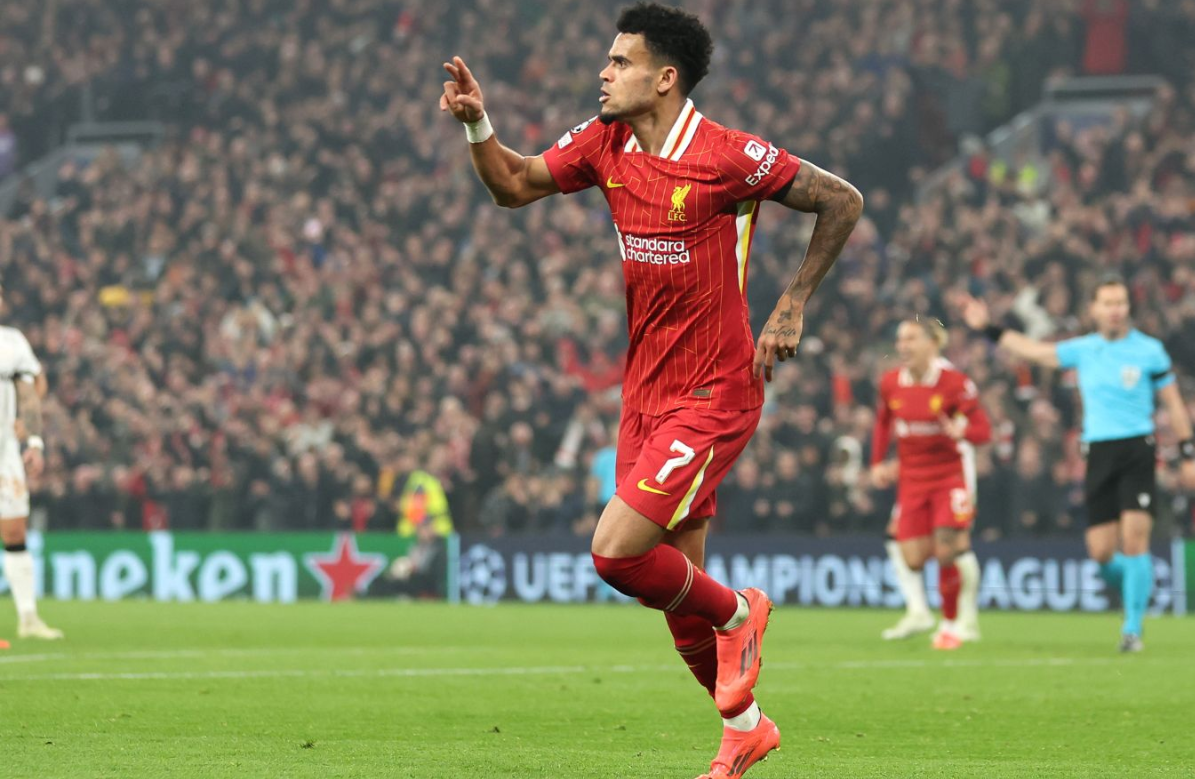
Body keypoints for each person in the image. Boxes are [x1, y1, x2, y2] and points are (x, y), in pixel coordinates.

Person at [440, 4, 863, 776]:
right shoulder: (604, 142)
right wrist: (477, 124)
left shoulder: (728, 155)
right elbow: (513, 183)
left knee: (615, 554)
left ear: (664, 78)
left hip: (714, 389)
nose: (602, 73)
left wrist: (792, 301)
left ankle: (741, 611)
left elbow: (842, 199)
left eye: (619, 62)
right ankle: (744, 729)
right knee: (673, 595)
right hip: (644, 393)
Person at [962, 276, 1195, 652]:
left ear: (1128, 308)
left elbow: (1173, 403)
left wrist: (1187, 454)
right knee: (1101, 552)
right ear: (1094, 309)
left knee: (1135, 540)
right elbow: (1035, 352)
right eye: (1108, 303)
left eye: (1120, 302)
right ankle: (1137, 588)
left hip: (1137, 448)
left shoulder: (1149, 351)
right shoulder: (1084, 349)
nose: (1115, 310)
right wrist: (988, 327)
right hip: (1098, 452)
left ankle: (1132, 629)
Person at [870, 318, 991, 650]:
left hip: (950, 474)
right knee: (912, 557)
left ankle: (952, 624)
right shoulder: (891, 382)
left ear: (932, 343)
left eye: (911, 338)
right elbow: (883, 422)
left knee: (947, 547)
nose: (903, 346)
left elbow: (983, 431)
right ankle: (925, 612)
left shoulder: (954, 383)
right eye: (900, 339)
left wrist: (963, 431)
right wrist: (877, 462)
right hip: (912, 478)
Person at [0, 284, 62, 640]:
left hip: (4, 449)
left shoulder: (11, 342)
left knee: (14, 530)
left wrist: (34, 441)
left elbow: (30, 391)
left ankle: (28, 619)